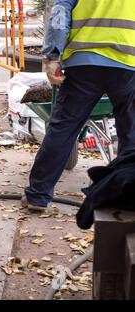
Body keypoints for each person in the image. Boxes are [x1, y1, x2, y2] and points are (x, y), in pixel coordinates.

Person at [23, 0, 135, 212]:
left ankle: (38, 195)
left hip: (84, 63)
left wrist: (52, 56)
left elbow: (60, 13)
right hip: (127, 64)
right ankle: (127, 196)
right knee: (130, 133)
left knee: (63, 128)